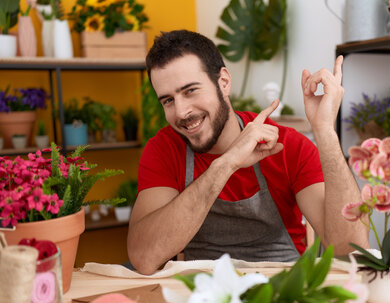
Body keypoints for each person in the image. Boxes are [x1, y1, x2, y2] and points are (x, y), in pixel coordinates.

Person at [127, 30, 368, 275]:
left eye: (190, 91)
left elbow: (349, 252)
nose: (180, 112)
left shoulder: (287, 147)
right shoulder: (165, 149)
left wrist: (325, 130)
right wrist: (227, 163)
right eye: (168, 100)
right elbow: (144, 258)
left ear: (223, 82)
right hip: (200, 296)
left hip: (283, 292)